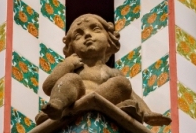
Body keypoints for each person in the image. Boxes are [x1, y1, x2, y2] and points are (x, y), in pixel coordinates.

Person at [36, 14, 171, 126]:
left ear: (109, 39)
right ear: (71, 47)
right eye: (78, 35)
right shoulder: (74, 67)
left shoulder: (112, 73)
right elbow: (48, 87)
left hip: (99, 101)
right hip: (72, 103)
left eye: (95, 29)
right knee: (71, 79)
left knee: (123, 83)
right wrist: (67, 65)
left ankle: (110, 108)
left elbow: (130, 93)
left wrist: (147, 114)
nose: (87, 35)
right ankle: (56, 106)